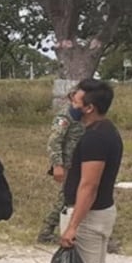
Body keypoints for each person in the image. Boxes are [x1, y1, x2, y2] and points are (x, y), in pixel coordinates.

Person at [59, 79, 123, 263]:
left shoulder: (96, 138)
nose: (71, 105)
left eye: (75, 101)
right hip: (96, 213)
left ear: (89, 108)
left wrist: (73, 225)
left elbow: (89, 185)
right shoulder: (104, 130)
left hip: (89, 216)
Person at [38, 93, 85, 244]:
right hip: (68, 164)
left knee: (77, 196)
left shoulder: (85, 115)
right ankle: (46, 231)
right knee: (66, 197)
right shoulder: (65, 116)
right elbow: (54, 141)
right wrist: (57, 165)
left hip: (82, 162)